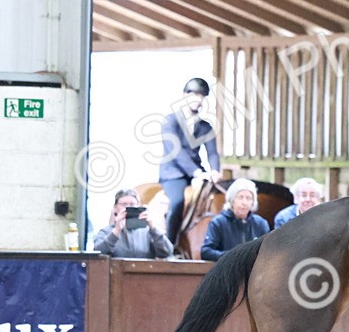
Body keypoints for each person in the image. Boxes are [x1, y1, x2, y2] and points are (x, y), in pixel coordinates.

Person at [159, 77, 222, 242]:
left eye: (201, 96)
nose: (198, 100)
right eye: (194, 95)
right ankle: (169, 244)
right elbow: (175, 151)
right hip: (174, 173)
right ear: (185, 96)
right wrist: (196, 172)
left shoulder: (205, 126)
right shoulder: (170, 121)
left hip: (197, 172)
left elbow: (212, 153)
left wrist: (215, 171)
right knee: (177, 202)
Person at [93, 188, 174, 259]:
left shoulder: (148, 233)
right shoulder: (106, 231)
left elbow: (167, 252)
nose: (128, 207)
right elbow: (98, 253)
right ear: (115, 208)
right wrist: (116, 231)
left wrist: (152, 227)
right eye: (124, 204)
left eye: (132, 204)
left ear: (139, 206)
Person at [200, 178, 269, 261]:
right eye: (240, 197)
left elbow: (268, 252)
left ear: (253, 202)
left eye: (248, 198)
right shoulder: (218, 223)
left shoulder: (261, 224)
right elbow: (206, 252)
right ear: (232, 200)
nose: (244, 202)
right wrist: (232, 257)